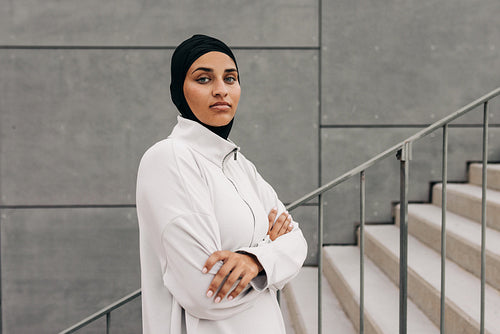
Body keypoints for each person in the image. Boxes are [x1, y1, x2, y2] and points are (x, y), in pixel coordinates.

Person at [136, 34, 308, 334]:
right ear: (180, 89)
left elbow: (297, 242)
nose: (221, 90)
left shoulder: (241, 166)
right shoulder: (169, 158)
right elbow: (204, 290)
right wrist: (271, 257)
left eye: (230, 78)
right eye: (203, 79)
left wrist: (255, 261)